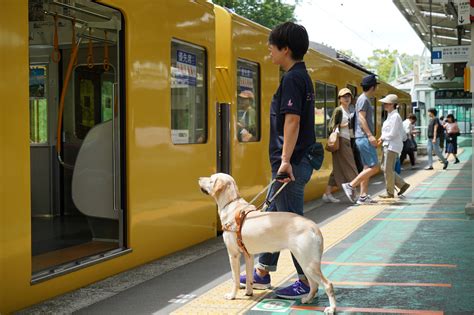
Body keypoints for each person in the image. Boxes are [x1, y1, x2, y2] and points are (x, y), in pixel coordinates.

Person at [240, 21, 315, 300]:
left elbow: (292, 120)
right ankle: (262, 272)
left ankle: (306, 281)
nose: (268, 51)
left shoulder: (293, 78)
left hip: (291, 163)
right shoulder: (301, 75)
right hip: (295, 161)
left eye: (272, 46)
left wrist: (284, 161)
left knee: (292, 224)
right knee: (274, 216)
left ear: (285, 49)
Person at [341, 74, 379, 205]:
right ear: (373, 87)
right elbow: (362, 118)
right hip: (363, 137)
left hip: (361, 137)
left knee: (367, 167)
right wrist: (370, 135)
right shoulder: (364, 100)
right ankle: (351, 185)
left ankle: (363, 196)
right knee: (375, 167)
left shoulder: (362, 99)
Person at [323, 88, 359, 203]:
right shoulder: (338, 110)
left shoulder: (349, 110)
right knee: (351, 167)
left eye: (348, 96)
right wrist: (343, 126)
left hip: (348, 141)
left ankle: (327, 194)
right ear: (339, 99)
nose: (347, 98)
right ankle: (355, 194)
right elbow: (330, 127)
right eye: (344, 96)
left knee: (337, 169)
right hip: (341, 141)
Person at [377, 94, 410, 198]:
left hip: (392, 145)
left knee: (387, 169)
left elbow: (393, 133)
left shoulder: (395, 116)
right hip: (388, 144)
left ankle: (390, 192)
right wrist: (382, 138)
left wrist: (382, 138)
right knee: (385, 167)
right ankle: (402, 185)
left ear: (392, 105)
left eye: (386, 103)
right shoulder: (391, 115)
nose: (384, 105)